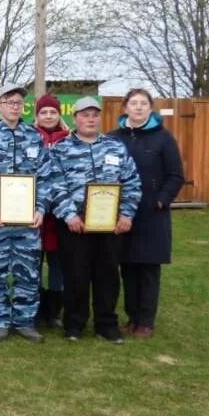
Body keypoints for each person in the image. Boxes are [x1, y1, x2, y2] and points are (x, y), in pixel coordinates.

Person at [50, 97, 142, 343]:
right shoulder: (61, 149)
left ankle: (106, 324)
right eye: (85, 114)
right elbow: (54, 185)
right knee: (75, 276)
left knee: (108, 276)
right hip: (75, 226)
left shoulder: (116, 147)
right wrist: (69, 214)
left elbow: (131, 182)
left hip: (110, 226)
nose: (90, 119)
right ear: (74, 118)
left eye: (94, 115)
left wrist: (126, 214)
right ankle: (74, 324)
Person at [0, 83, 53, 342]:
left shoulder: (34, 136)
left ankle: (24, 321)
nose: (15, 106)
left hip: (28, 222)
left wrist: (41, 208)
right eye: (9, 101)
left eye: (18, 102)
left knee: (28, 272)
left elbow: (46, 176)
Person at [111, 88, 184, 338]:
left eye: (144, 103)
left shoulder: (164, 138)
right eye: (134, 103)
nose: (139, 107)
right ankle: (132, 317)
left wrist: (162, 201)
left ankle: (146, 321)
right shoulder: (113, 138)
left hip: (152, 214)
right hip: (120, 213)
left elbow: (176, 176)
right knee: (128, 268)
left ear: (150, 108)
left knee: (148, 270)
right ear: (125, 107)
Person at [33, 93, 70, 328]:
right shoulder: (28, 137)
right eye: (44, 112)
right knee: (32, 262)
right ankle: (35, 308)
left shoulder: (70, 139)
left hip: (60, 214)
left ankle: (55, 310)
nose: (48, 116)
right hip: (33, 211)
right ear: (36, 116)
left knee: (58, 263)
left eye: (52, 112)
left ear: (59, 115)